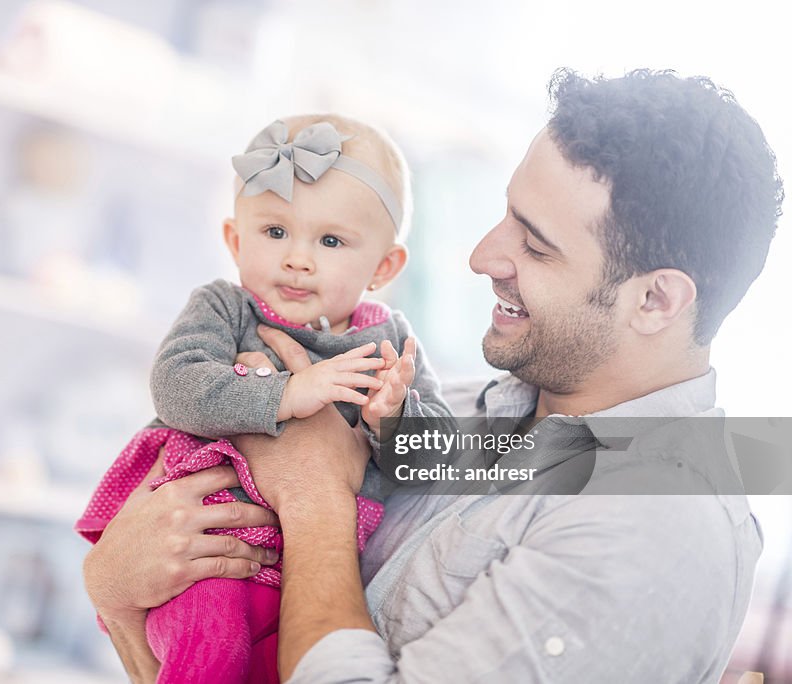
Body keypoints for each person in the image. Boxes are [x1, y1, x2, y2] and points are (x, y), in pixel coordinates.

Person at [82, 69, 783, 682]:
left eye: (535, 246)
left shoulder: (655, 534)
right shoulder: (455, 410)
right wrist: (111, 581)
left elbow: (307, 495)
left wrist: (317, 500)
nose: (482, 257)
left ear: (656, 301)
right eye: (506, 216)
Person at [76, 114, 454, 683]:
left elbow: (438, 460)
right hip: (205, 550)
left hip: (311, 572)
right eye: (275, 232)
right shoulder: (226, 309)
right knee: (213, 648)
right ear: (234, 239)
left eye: (330, 241)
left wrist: (394, 420)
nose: (297, 258)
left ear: (384, 267)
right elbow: (176, 384)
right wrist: (287, 392)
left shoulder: (391, 344)